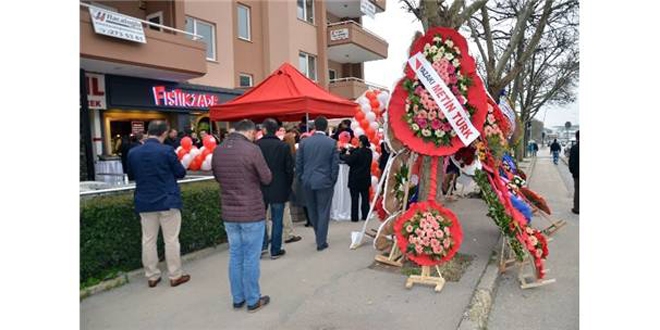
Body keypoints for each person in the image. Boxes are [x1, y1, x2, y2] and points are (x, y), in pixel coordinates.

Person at [212, 119, 272, 312]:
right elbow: (266, 178)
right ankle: (253, 299)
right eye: (254, 134)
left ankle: (238, 298)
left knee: (236, 255)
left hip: (229, 211)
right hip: (251, 210)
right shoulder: (252, 150)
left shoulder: (219, 150)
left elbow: (218, 176)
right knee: (251, 258)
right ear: (249, 132)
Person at [126, 120, 190, 288]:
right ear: (164, 133)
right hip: (167, 200)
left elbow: (131, 174)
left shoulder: (134, 152)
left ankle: (152, 276)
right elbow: (180, 173)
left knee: (148, 239)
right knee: (171, 240)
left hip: (144, 200)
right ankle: (175, 275)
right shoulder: (167, 150)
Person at [296, 116, 339, 251]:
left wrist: (301, 177)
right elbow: (334, 165)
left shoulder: (304, 143)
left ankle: (318, 236)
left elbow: (299, 163)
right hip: (324, 181)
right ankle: (321, 240)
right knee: (323, 210)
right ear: (326, 127)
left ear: (314, 127)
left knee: (312, 210)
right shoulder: (331, 143)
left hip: (307, 180)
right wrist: (333, 180)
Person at [257, 119, 294, 259]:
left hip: (261, 188)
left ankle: (262, 246)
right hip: (279, 188)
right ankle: (275, 249)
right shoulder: (283, 146)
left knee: (261, 219)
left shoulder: (257, 146)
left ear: (264, 130)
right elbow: (289, 170)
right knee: (278, 220)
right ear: (276, 130)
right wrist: (287, 185)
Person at [340, 135, 373, 222]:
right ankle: (365, 215)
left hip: (355, 178)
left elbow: (349, 160)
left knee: (355, 199)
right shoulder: (369, 152)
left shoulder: (357, 153)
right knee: (365, 198)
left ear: (361, 142)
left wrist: (343, 154)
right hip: (365, 178)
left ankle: (355, 217)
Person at [282, 132, 304, 243]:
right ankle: (288, 234)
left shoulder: (282, 151)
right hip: (292, 179)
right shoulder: (295, 153)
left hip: (283, 182)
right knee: (286, 209)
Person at [569, 130, 579, 214]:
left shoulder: (575, 148)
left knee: (578, 191)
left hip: (577, 174)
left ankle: (577, 208)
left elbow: (571, 161)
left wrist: (573, 171)